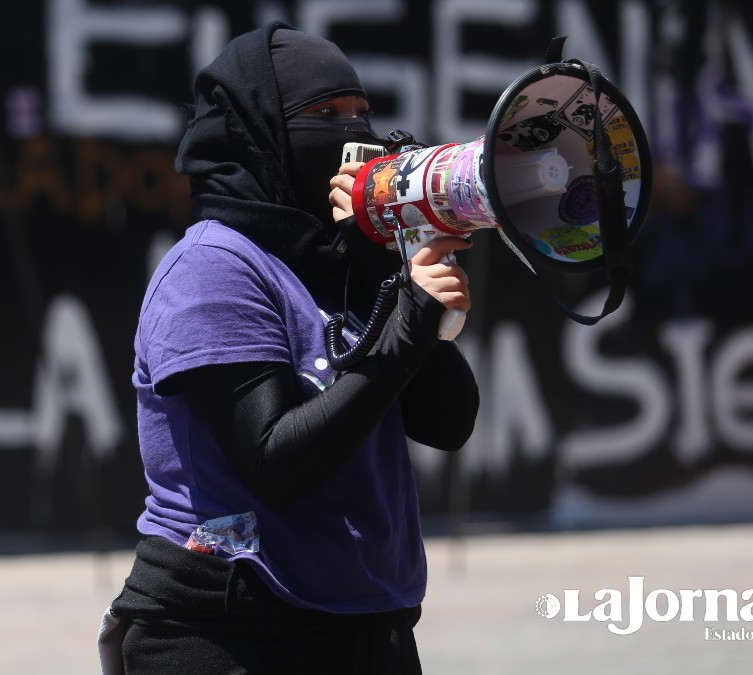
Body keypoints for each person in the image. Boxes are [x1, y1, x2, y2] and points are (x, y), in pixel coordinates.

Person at [99, 21, 480, 675]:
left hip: (361, 624)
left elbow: (449, 422)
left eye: (363, 112)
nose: (353, 134)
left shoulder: (338, 262)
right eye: (325, 114)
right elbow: (276, 459)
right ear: (260, 130)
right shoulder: (215, 265)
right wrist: (405, 323)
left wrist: (387, 274)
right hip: (228, 629)